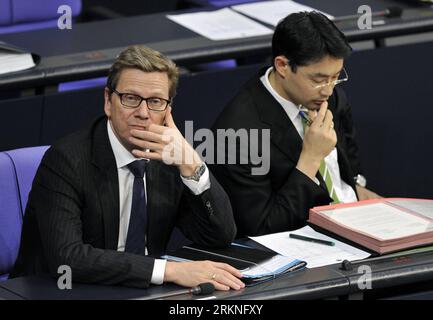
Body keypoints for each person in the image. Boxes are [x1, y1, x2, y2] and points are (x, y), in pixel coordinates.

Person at [11, 45, 245, 291]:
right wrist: (169, 270)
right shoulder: (67, 160)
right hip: (64, 291)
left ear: (168, 110)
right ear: (108, 102)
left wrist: (192, 164)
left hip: (142, 289)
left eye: (155, 101)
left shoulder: (169, 159)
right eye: (131, 98)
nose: (143, 113)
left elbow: (219, 236)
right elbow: (68, 259)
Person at [210, 11, 380, 237]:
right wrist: (310, 158)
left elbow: (350, 156)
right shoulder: (236, 134)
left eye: (336, 76)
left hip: (355, 217)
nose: (329, 90)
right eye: (318, 80)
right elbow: (261, 227)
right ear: (282, 66)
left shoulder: (331, 97)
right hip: (306, 239)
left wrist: (358, 186)